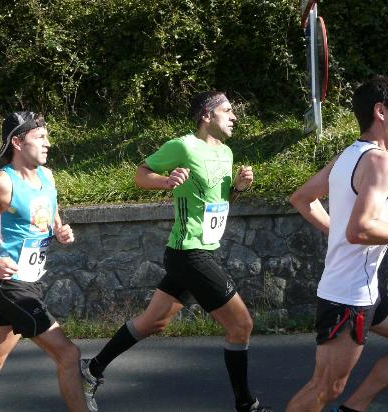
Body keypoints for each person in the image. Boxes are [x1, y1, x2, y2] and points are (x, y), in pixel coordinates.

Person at [79, 91, 272, 412]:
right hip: (189, 253)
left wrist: (237, 188)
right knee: (241, 326)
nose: (234, 117)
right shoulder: (183, 146)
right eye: (227, 110)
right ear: (207, 116)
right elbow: (140, 175)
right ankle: (246, 404)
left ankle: (91, 369)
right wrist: (166, 181)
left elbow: (220, 202)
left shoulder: (226, 153)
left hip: (201, 251)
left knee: (152, 322)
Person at [286, 75, 388, 412]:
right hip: (348, 296)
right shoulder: (381, 161)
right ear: (381, 111)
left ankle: (354, 408)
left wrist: (337, 233)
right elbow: (359, 231)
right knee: (325, 389)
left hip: (367, 288)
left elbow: (302, 199)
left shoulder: (349, 155)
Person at [0, 111, 89, 412]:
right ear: (18, 142)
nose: (48, 143)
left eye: (47, 137)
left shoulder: (47, 176)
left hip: (31, 281)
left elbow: (49, 210)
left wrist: (59, 229)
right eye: (40, 137)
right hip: (9, 284)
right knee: (68, 354)